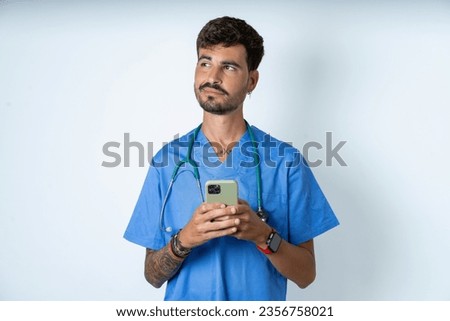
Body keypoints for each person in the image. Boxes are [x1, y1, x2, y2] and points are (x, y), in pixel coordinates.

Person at [124, 16, 339, 301]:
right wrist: (185, 239)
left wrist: (263, 235)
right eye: (205, 62)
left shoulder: (286, 163)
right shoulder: (167, 162)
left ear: (251, 80)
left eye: (228, 66)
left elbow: (305, 275)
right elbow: (152, 276)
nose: (212, 77)